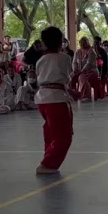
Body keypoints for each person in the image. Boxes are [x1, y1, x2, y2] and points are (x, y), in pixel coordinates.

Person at [34, 26, 74, 175]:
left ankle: (47, 156)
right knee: (64, 137)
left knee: (50, 132)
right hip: (56, 100)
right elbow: (67, 75)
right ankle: (47, 164)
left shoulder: (41, 60)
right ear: (59, 42)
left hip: (42, 100)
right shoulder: (64, 57)